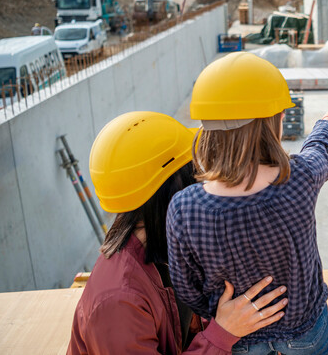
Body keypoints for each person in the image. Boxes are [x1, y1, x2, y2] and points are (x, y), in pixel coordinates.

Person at [166, 52, 328, 355]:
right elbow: (321, 152)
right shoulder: (299, 178)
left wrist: (221, 318)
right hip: (306, 335)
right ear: (272, 122)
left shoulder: (184, 208)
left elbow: (186, 288)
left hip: (238, 342)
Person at [68, 111, 288, 355]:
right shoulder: (116, 303)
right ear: (175, 190)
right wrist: (222, 333)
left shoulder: (166, 247)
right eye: (197, 172)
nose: (205, 184)